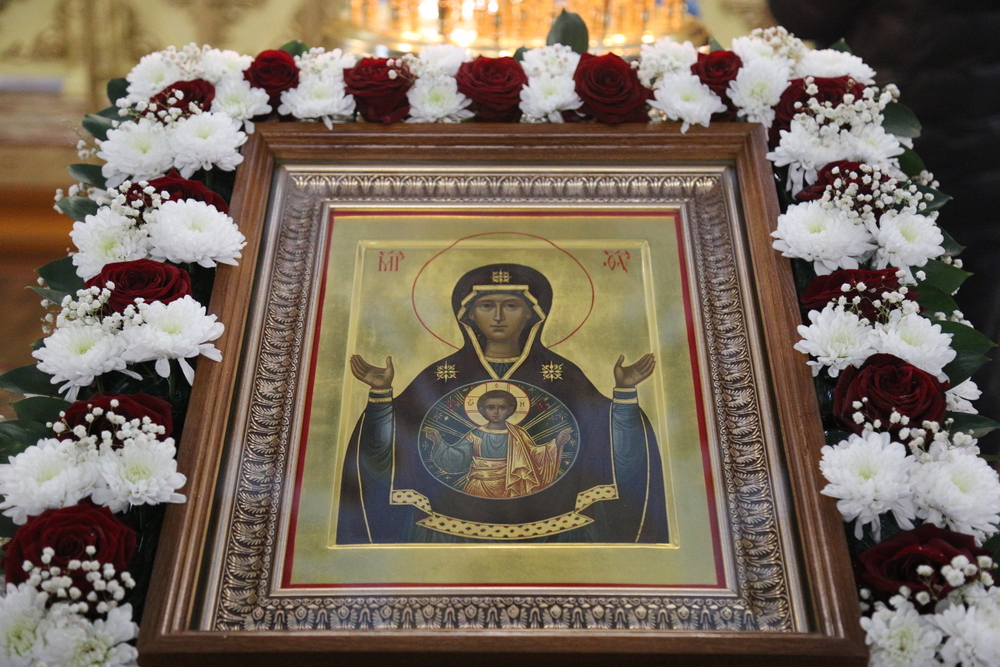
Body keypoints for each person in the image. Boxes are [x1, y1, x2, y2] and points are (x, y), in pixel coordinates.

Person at [336, 263, 669, 543]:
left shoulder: (563, 375)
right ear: (468, 315)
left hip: (553, 527)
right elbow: (390, 446)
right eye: (486, 306)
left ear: (531, 314)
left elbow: (607, 441)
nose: (498, 316)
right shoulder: (439, 376)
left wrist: (624, 394)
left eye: (510, 305)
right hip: (452, 527)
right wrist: (381, 396)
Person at [425, 389, 572, 498]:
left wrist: (556, 444)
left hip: (510, 485)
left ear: (510, 410)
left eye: (502, 408)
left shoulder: (517, 433)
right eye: (491, 407)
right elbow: (458, 457)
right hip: (480, 486)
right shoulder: (475, 434)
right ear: (482, 410)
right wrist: (438, 440)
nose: (496, 412)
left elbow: (532, 456)